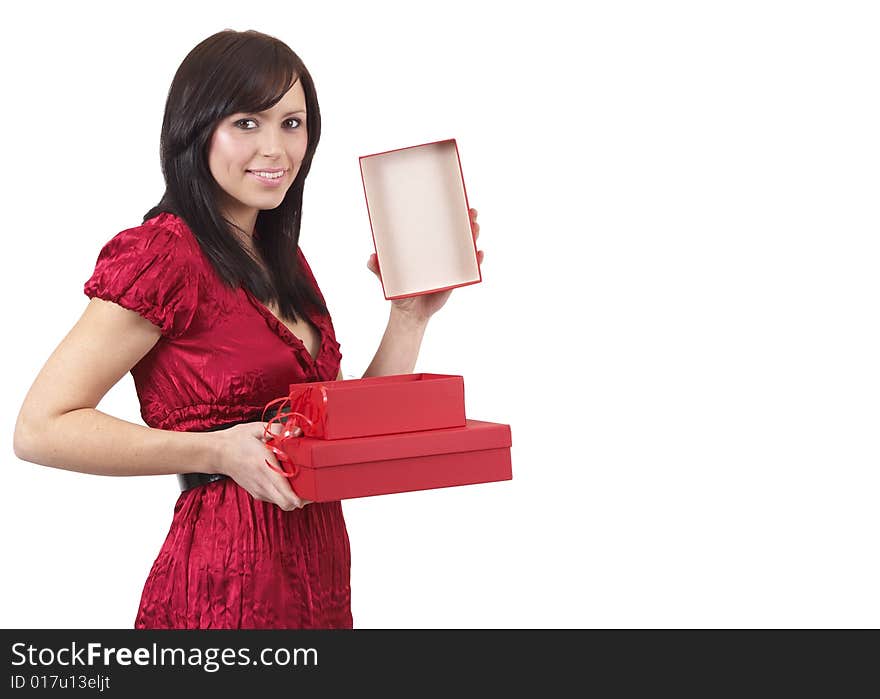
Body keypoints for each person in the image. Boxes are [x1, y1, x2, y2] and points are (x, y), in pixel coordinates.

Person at [12, 29, 483, 629]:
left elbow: (345, 441)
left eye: (292, 123)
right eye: (246, 122)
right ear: (196, 129)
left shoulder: (280, 257)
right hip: (223, 587)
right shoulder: (164, 254)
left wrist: (411, 315)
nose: (276, 149)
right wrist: (216, 448)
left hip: (319, 575)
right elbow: (40, 427)